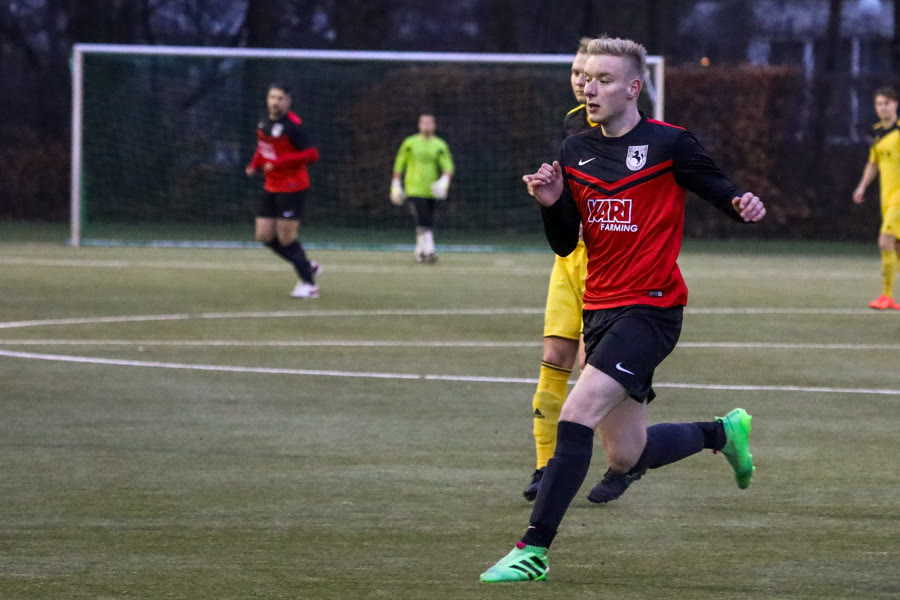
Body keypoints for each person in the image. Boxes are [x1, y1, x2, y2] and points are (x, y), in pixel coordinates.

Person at [480, 36, 766, 584]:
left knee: (576, 413)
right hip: (600, 311)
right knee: (627, 455)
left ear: (634, 88)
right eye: (586, 78)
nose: (589, 87)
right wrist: (550, 204)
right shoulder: (574, 150)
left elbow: (721, 190)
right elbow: (565, 242)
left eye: (604, 79)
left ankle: (533, 549)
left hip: (652, 310)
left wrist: (741, 204)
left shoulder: (670, 143)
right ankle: (722, 433)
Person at [523, 37, 595, 502]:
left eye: (591, 74)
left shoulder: (630, 129)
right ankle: (544, 466)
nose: (582, 81)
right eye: (576, 73)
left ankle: (624, 458)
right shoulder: (571, 123)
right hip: (569, 260)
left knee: (595, 369)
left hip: (611, 263)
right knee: (554, 356)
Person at [246, 82, 322, 298]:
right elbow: (263, 147)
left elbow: (312, 155)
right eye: (272, 97)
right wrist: (254, 164)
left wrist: (280, 163)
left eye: (280, 98)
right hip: (271, 185)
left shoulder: (294, 126)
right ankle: (307, 265)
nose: (275, 102)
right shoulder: (264, 121)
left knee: (286, 237)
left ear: (288, 101)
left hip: (292, 187)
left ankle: (309, 285)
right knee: (264, 235)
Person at [852, 87, 900, 310]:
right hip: (886, 197)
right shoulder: (878, 132)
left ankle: (887, 297)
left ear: (896, 104)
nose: (883, 107)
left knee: (885, 241)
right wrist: (862, 187)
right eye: (879, 104)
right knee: (896, 246)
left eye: (887, 103)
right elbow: (874, 163)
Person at [390, 114, 455, 263]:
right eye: (424, 123)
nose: (426, 126)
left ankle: (419, 251)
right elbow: (400, 163)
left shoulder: (439, 145)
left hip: (431, 188)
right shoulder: (410, 143)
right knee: (423, 217)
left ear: (434, 125)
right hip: (414, 187)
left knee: (426, 220)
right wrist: (395, 184)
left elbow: (448, 166)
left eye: (429, 123)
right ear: (419, 125)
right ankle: (430, 250)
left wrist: (444, 182)